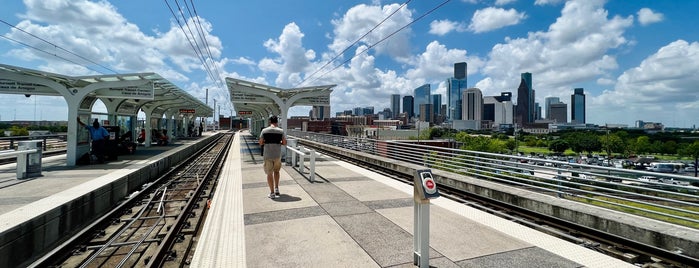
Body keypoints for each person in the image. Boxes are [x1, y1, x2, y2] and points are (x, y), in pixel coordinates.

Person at [259, 115, 286, 199]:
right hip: (277, 155)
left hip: (267, 155)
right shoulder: (281, 131)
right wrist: (279, 143)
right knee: (277, 172)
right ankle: (277, 188)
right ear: (277, 122)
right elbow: (284, 142)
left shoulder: (264, 130)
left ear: (270, 122)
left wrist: (266, 143)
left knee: (269, 173)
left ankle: (272, 193)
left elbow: (260, 142)